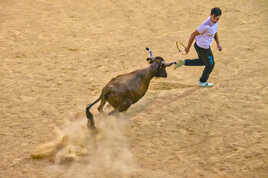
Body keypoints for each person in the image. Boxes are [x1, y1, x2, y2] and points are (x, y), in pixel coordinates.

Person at [176, 7, 222, 87]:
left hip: (203, 47)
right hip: (202, 48)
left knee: (203, 61)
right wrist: (188, 48)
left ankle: (184, 62)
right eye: (215, 18)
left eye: (218, 19)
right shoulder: (205, 26)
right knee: (210, 65)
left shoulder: (215, 22)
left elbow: (215, 32)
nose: (216, 20)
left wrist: (218, 43)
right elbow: (193, 35)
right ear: (211, 15)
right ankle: (202, 81)